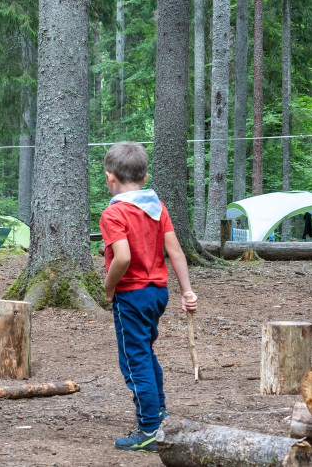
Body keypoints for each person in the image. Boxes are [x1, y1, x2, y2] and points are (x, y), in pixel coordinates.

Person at [99, 142, 198, 453]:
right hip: (158, 294)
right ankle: (158, 413)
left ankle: (148, 430)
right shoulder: (157, 207)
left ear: (110, 178)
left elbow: (123, 258)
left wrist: (109, 286)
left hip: (132, 295)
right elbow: (176, 252)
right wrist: (187, 290)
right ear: (144, 176)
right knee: (145, 352)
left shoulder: (114, 213)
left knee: (134, 359)